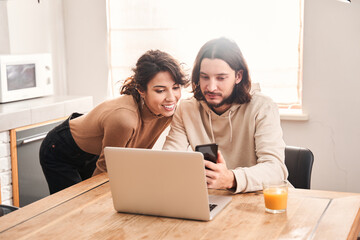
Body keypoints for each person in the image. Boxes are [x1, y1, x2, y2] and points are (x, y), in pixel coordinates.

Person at [40, 50, 189, 194]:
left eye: (175, 88)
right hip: (62, 150)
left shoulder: (168, 111)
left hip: (97, 152)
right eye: (160, 90)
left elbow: (132, 159)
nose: (171, 97)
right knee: (72, 208)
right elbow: (105, 172)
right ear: (141, 90)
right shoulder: (125, 120)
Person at [163, 37, 288, 193]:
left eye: (221, 78)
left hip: (259, 198)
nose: (211, 87)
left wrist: (230, 179)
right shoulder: (186, 108)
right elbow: (168, 160)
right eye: (204, 77)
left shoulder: (262, 107)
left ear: (238, 76)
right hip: (212, 198)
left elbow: (275, 169)